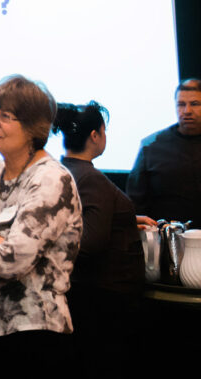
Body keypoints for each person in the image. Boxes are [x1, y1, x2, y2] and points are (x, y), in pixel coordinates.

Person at [0, 76, 82, 366]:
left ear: (33, 127)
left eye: (5, 116)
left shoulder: (52, 178)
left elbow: (10, 262)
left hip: (31, 334)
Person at [54, 101, 143, 372]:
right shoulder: (90, 178)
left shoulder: (64, 170)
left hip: (88, 295)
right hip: (105, 300)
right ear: (95, 135)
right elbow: (90, 242)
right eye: (104, 130)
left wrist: (124, 219)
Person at [127, 78, 201, 234]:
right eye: (181, 104)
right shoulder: (152, 146)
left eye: (195, 104)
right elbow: (135, 204)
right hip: (168, 245)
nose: (187, 111)